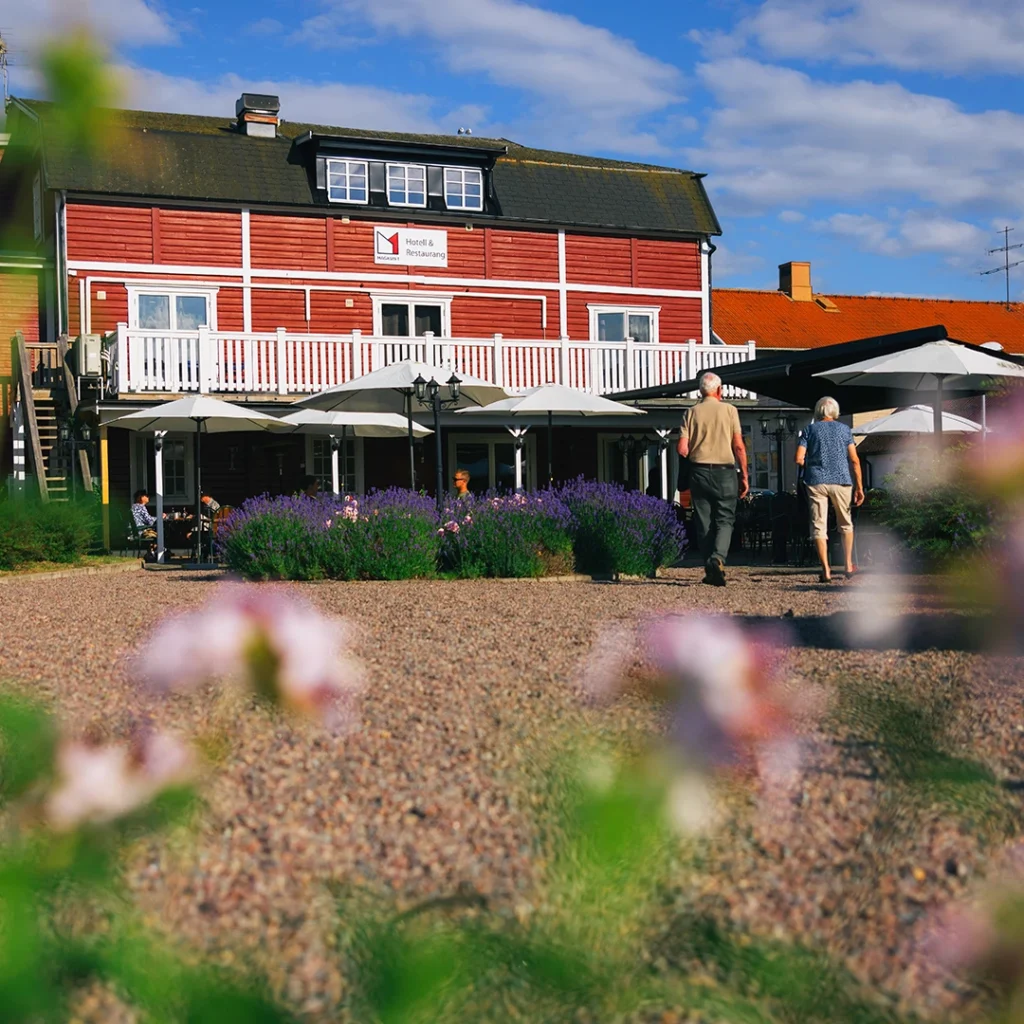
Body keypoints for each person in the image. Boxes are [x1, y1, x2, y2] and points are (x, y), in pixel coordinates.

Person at [677, 371, 749, 587]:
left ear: (701, 390)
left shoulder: (691, 412)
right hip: (725, 472)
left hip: (699, 472)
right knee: (725, 519)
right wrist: (744, 475)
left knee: (703, 522)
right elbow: (738, 446)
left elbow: (682, 448)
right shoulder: (730, 410)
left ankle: (709, 568)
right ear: (719, 390)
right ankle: (717, 559)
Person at [795, 396, 865, 583]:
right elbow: (855, 460)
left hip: (817, 480)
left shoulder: (809, 430)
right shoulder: (844, 430)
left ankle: (825, 570)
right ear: (835, 411)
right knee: (846, 523)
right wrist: (860, 487)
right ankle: (848, 565)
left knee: (819, 525)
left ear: (818, 411)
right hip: (842, 480)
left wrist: (811, 464)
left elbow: (799, 458)